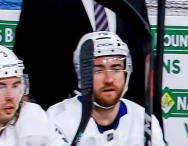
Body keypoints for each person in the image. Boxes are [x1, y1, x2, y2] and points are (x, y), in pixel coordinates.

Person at [0, 46, 174, 146]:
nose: (10, 96)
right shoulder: (59, 115)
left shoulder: (28, 119)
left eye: (16, 85)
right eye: (1, 86)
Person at [14, 0, 152, 111]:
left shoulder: (134, 2)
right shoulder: (42, 3)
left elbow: (145, 69)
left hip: (122, 125)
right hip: (63, 126)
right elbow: (24, 63)